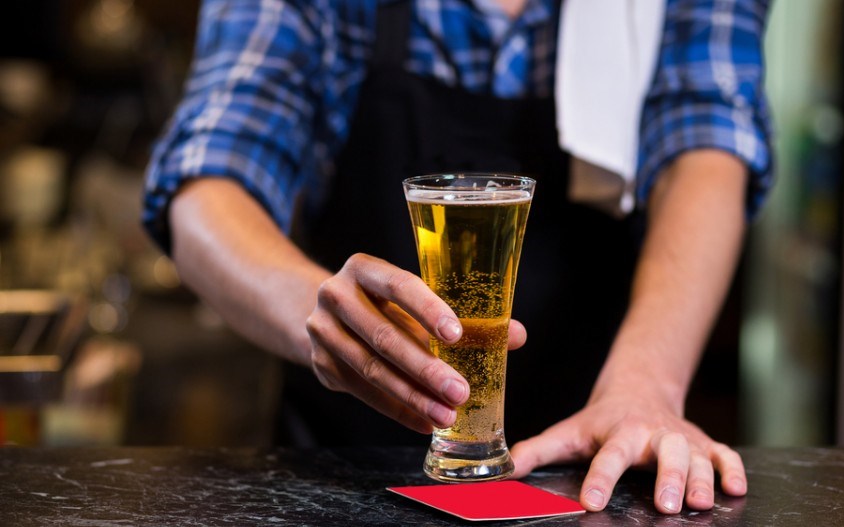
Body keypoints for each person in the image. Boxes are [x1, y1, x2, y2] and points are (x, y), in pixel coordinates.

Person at [142, 0, 773, 516]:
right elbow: (209, 182)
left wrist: (646, 386)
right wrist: (319, 311)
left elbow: (707, 144)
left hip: (588, 476)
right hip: (347, 479)